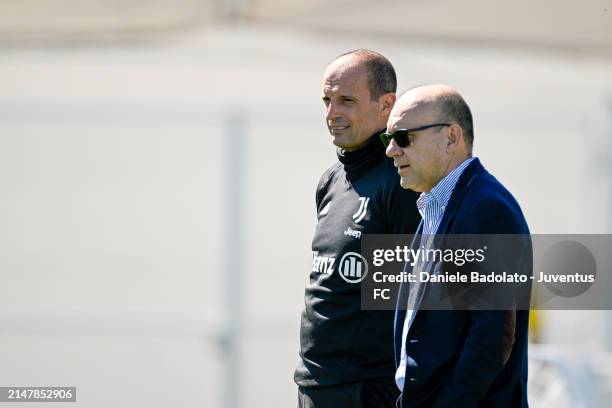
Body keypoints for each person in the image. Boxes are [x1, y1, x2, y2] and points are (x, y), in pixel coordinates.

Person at [383, 84, 531, 407]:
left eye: (403, 137)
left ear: (451, 138)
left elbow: (492, 337)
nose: (391, 150)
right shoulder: (436, 206)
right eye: (387, 138)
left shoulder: (486, 209)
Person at [294, 50, 421, 408]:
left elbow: (417, 297)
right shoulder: (331, 181)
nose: (333, 114)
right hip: (316, 384)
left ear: (387, 106)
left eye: (346, 101)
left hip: (366, 390)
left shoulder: (400, 182)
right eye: (327, 100)